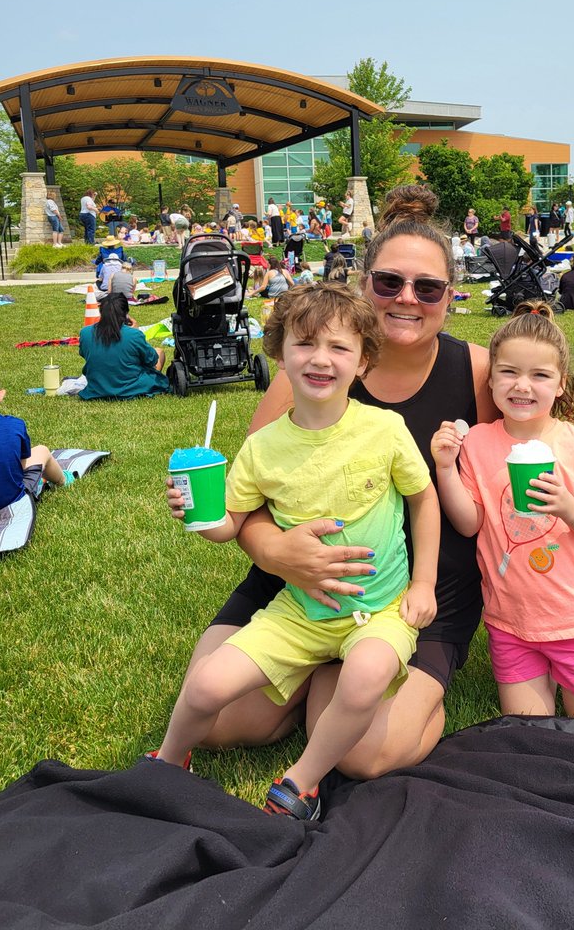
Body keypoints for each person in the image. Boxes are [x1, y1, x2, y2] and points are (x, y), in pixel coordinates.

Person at [164, 186, 574, 779]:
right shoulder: (308, 368)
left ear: (448, 296)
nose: (407, 299)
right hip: (292, 587)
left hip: (418, 598)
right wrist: (278, 552)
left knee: (363, 754)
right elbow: (249, 499)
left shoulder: (477, 371)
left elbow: (545, 460)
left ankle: (349, 686)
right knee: (213, 723)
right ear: (364, 285)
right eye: (389, 282)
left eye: (428, 288)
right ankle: (309, 675)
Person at [153, 286, 440, 820]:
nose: (321, 359)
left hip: (379, 610)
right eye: (305, 344)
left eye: (340, 347)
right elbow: (231, 526)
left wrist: (423, 583)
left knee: (366, 674)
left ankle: (300, 782)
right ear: (279, 353)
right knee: (206, 684)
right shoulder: (263, 447)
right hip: (300, 611)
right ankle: (169, 761)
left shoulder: (384, 429)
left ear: (363, 362)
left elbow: (424, 502)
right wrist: (205, 517)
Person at [432, 303, 574, 722]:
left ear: (561, 385)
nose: (522, 385)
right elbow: (469, 522)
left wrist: (567, 507)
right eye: (508, 372)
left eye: (540, 375)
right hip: (510, 621)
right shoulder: (478, 443)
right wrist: (444, 468)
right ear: (490, 380)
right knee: (530, 734)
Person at [0, 365, 74, 517]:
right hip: (9, 502)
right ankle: (63, 479)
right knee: (41, 451)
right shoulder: (14, 425)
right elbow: (23, 462)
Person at [78, 293, 170, 399]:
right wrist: (135, 332)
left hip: (98, 387)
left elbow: (84, 354)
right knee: (159, 352)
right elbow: (152, 359)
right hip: (132, 387)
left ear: (101, 311)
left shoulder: (85, 333)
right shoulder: (134, 335)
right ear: (126, 314)